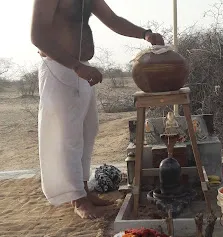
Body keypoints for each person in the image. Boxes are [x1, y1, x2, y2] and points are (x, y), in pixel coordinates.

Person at [31, 0, 164, 219]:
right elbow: (37, 36)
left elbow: (113, 20)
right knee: (68, 136)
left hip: (80, 69)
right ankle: (77, 199)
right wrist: (76, 66)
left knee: (87, 131)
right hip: (59, 68)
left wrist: (145, 34)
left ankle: (83, 189)